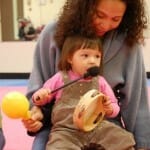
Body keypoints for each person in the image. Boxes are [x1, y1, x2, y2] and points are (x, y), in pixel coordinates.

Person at [22, 0, 150, 149]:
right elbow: (36, 95)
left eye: (115, 19)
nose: (105, 24)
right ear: (85, 6)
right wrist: (36, 113)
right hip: (59, 127)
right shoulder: (52, 33)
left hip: (103, 124)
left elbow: (136, 103)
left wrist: (143, 144)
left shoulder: (128, 43)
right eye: (99, 15)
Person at [31, 35, 135, 149]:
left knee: (121, 138)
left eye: (97, 56)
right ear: (70, 58)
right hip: (66, 131)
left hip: (97, 127)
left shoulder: (100, 81)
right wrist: (39, 96)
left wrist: (110, 109)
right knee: (57, 146)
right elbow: (41, 98)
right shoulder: (60, 78)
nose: (92, 61)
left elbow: (115, 106)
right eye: (85, 55)